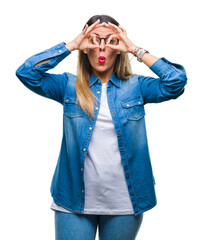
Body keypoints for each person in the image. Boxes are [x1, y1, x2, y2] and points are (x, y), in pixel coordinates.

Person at [16, 14, 187, 240]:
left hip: (125, 201)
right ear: (86, 48)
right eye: (95, 41)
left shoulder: (137, 86)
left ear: (119, 49)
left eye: (111, 42)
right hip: (72, 199)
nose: (102, 48)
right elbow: (26, 73)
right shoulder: (68, 86)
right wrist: (72, 45)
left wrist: (135, 49)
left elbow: (176, 81)